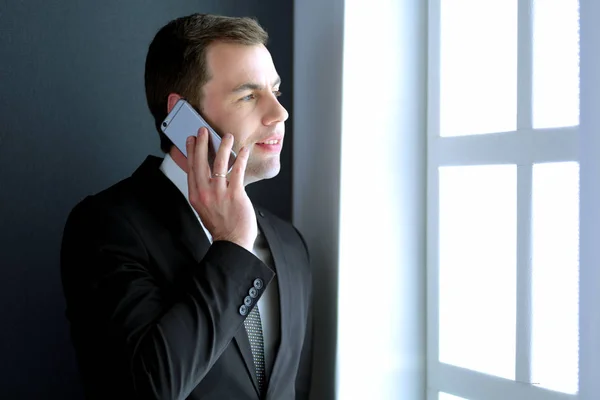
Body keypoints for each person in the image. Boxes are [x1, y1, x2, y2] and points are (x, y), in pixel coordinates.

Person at [60, 13, 313, 400]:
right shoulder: (105, 227)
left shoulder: (290, 244)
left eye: (275, 92)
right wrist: (232, 246)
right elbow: (146, 388)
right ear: (184, 116)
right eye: (248, 95)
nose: (279, 113)